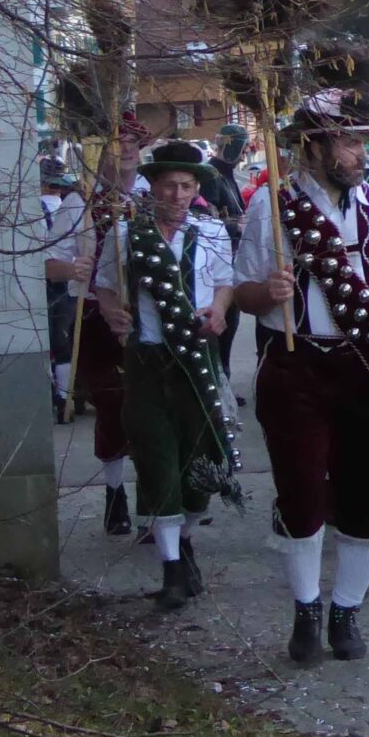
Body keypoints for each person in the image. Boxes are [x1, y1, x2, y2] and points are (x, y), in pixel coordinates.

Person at [233, 88, 369, 665]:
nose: (359, 151)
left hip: (365, 361)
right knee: (300, 490)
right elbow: (243, 292)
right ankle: (305, 609)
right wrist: (262, 292)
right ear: (313, 147)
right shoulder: (270, 207)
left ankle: (346, 610)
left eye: (362, 139)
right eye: (347, 140)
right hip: (295, 364)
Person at [93, 138, 238, 613]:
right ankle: (171, 568)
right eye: (170, 185)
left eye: (187, 185)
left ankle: (187, 538)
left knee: (199, 464)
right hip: (148, 361)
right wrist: (114, 315)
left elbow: (224, 286)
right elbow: (107, 291)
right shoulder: (123, 235)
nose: (179, 194)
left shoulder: (211, 231)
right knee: (156, 459)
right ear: (151, 187)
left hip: (196, 358)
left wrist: (217, 312)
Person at [44, 121, 150, 533]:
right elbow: (50, 264)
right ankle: (115, 491)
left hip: (148, 314)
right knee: (113, 405)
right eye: (114, 143)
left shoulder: (153, 193)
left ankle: (157, 496)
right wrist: (74, 267)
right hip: (95, 315)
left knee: (152, 406)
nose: (123, 150)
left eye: (131, 142)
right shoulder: (81, 201)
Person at [199, 123, 250, 391]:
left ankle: (223, 384)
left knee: (230, 326)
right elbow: (205, 217)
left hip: (232, 257)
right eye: (242, 149)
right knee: (222, 326)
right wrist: (235, 226)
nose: (244, 156)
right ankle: (218, 386)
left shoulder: (227, 174)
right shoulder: (210, 175)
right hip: (217, 259)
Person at [38, 157, 82, 423]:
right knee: (65, 339)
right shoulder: (71, 205)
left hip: (50, 277)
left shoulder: (39, 207)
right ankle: (66, 395)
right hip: (71, 276)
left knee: (56, 339)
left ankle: (62, 395)